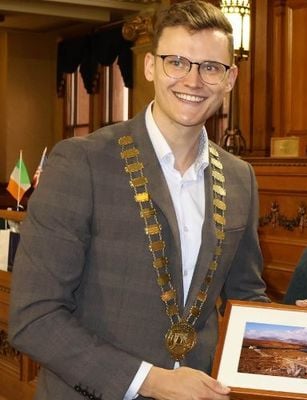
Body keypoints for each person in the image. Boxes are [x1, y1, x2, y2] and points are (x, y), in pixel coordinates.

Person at [9, 1, 268, 399]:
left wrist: (290, 330)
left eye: (210, 67)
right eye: (177, 62)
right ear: (150, 66)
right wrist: (151, 380)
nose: (193, 81)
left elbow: (245, 297)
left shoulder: (239, 178)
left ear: (229, 78)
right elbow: (34, 317)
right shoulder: (82, 163)